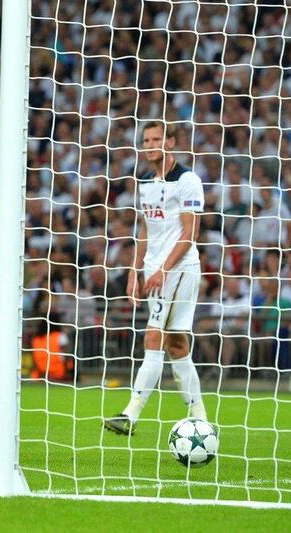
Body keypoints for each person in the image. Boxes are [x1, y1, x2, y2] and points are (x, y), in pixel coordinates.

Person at [104, 121, 207, 436]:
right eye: (146, 140)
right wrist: (136, 272)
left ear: (171, 142)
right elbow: (145, 230)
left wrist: (163, 269)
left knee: (153, 337)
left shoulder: (187, 180)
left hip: (178, 269)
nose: (150, 145)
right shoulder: (145, 182)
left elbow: (191, 234)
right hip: (154, 271)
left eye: (156, 139)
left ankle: (130, 414)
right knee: (176, 344)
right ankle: (199, 416)